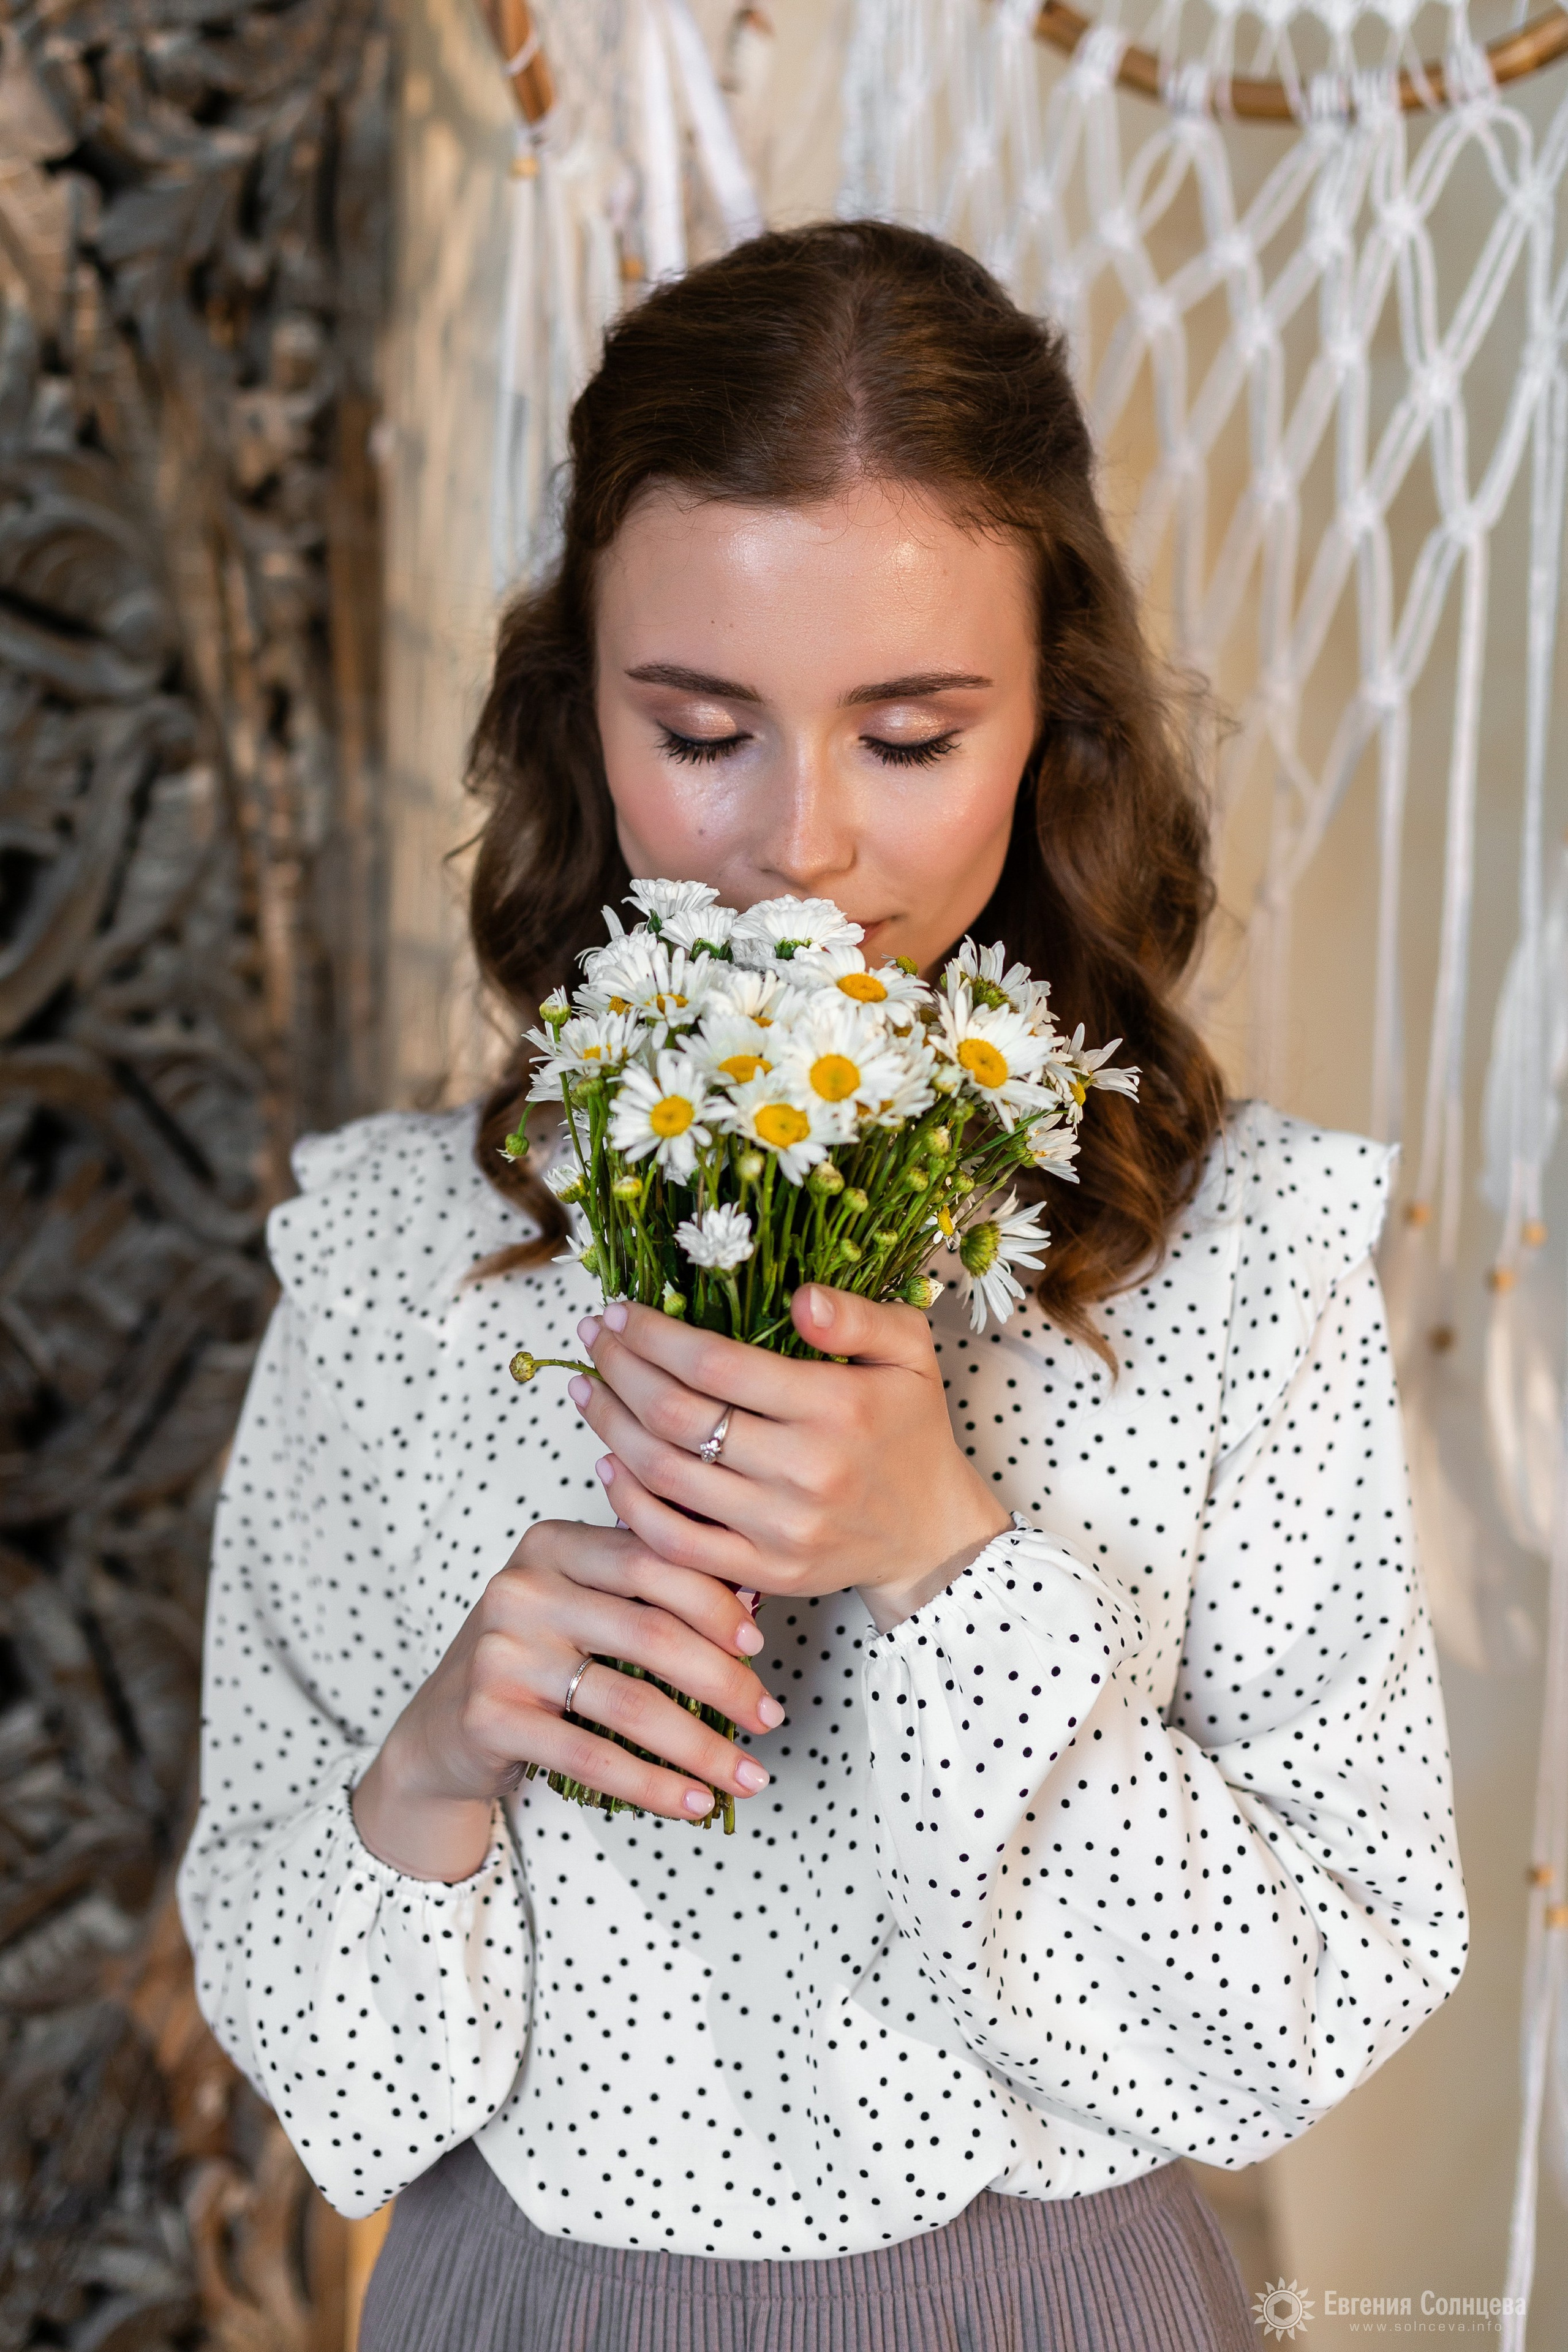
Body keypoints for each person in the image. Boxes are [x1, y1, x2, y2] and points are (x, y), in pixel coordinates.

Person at [177, 221, 1468, 2352]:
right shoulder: (401, 1264)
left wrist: (947, 1565)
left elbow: (1293, 2022)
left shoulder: (1238, 1266)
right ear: (580, 718)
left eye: (907, 737)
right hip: (521, 2304)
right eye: (703, 732)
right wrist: (436, 1763)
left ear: (1053, 724)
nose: (802, 854)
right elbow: (333, 2095)